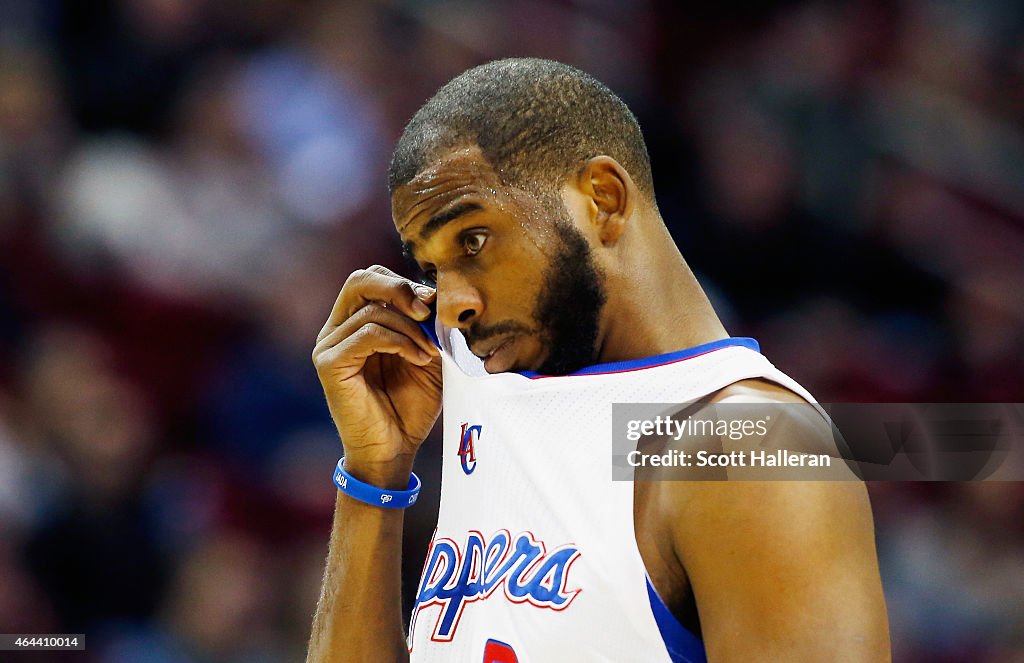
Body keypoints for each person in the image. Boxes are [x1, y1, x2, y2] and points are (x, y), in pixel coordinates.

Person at [307, 58, 890, 663]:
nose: (453, 305)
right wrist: (374, 473)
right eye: (432, 269)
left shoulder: (750, 447)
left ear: (603, 200)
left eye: (473, 242)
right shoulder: (481, 379)